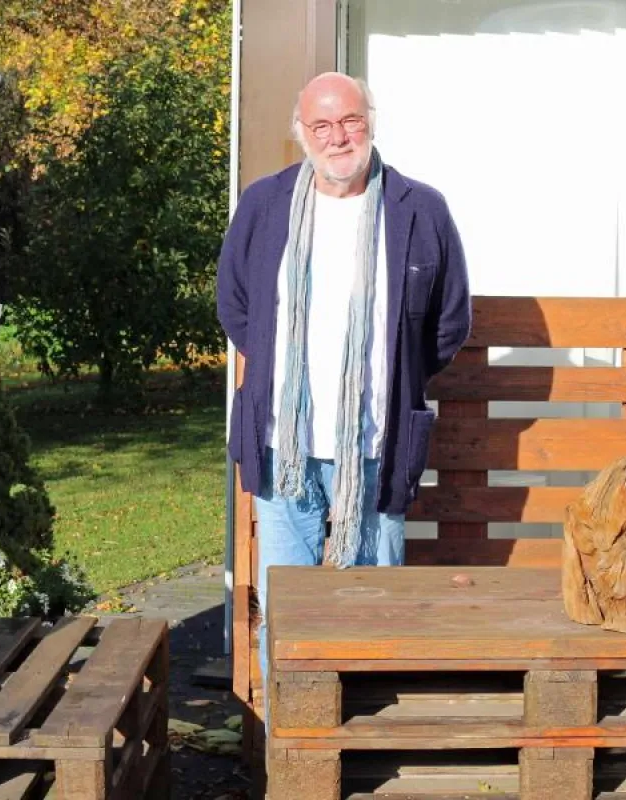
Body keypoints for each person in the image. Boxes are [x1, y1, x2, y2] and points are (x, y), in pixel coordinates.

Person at [216, 72, 471, 683]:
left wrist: (395, 377)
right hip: (285, 447)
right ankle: (294, 757)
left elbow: (448, 321)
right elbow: (235, 304)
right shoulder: (263, 205)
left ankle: (366, 753)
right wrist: (280, 370)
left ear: (371, 121)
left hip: (376, 448)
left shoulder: (420, 209)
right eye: (321, 125)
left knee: (374, 610)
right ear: (300, 132)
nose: (338, 137)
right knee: (287, 613)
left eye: (350, 120)